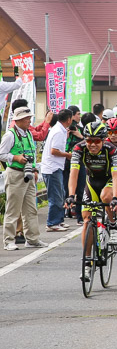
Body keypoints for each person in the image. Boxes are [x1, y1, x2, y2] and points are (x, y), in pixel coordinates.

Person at [67, 121, 117, 281]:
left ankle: (112, 224)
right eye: (89, 140)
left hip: (109, 182)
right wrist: (71, 195)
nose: (92, 144)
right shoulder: (79, 148)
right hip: (91, 183)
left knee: (106, 196)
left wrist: (116, 198)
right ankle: (87, 263)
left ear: (103, 140)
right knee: (86, 219)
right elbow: (74, 173)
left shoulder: (112, 150)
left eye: (96, 141)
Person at [1, 105, 46, 250]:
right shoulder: (10, 135)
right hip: (15, 173)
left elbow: (31, 153)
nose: (29, 120)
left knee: (31, 209)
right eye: (26, 118)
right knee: (13, 209)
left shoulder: (28, 134)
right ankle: (8, 240)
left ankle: (32, 239)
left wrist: (33, 169)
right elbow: (1, 154)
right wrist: (15, 157)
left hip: (28, 174)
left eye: (29, 118)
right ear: (18, 120)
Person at [40, 109, 73, 232]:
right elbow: (54, 151)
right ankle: (52, 223)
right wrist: (67, 155)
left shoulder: (60, 129)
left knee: (60, 193)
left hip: (55, 167)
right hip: (52, 168)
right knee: (56, 196)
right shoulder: (59, 131)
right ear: (68, 119)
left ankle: (59, 220)